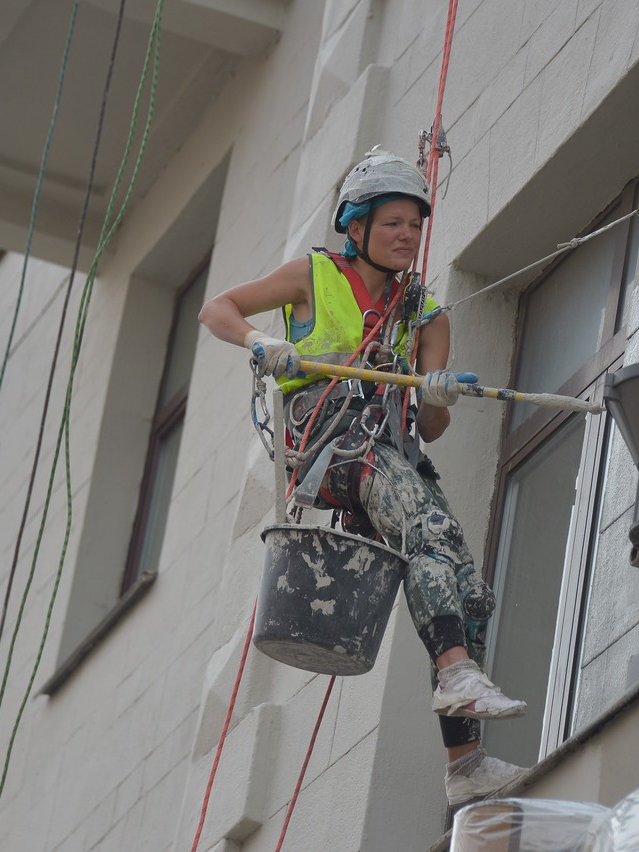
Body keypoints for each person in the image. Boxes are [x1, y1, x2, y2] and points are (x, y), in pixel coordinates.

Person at [198, 150, 526, 806]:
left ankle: (464, 763)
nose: (407, 235)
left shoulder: (424, 315)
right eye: (394, 222)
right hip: (330, 442)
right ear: (358, 226)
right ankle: (456, 670)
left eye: (414, 225)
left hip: (387, 448)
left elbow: (429, 428)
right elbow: (218, 309)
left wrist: (437, 394)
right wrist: (262, 342)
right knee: (425, 528)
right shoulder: (312, 276)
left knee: (470, 590)